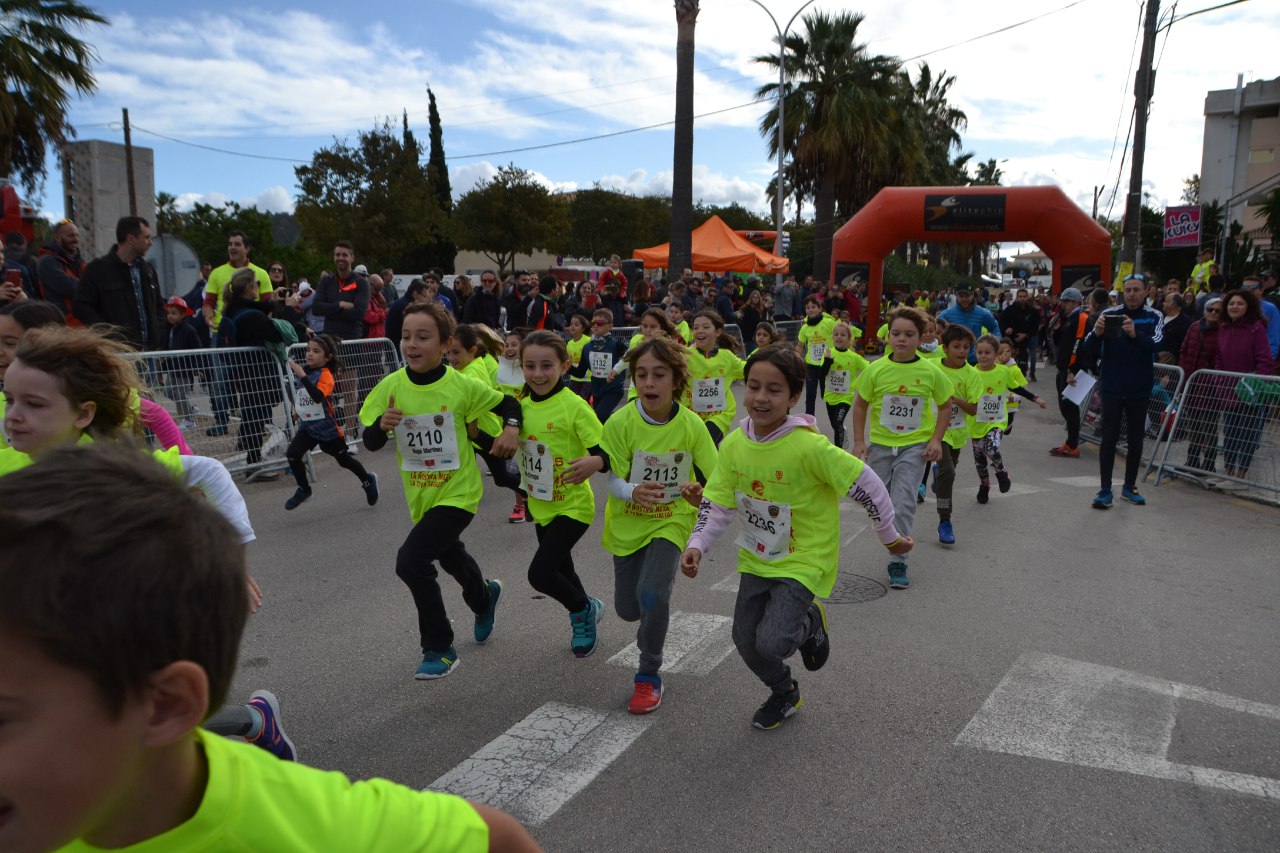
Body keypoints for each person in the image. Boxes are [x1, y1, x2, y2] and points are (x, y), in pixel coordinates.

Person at [0, 442, 541, 852]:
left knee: (417, 560)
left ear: (163, 704)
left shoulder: (309, 828)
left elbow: (497, 840)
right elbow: (373, 433)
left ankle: (456, 626)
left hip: (461, 495)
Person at [680, 345, 907, 730]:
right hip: (757, 555)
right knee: (744, 640)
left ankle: (809, 623)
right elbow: (718, 501)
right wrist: (696, 545)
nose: (761, 398)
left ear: (794, 396)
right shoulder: (734, 444)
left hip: (804, 559)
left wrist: (890, 537)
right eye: (753, 387)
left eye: (774, 389)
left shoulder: (808, 446)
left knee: (774, 642)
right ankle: (784, 691)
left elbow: (865, 483)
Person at [359, 302, 521, 679]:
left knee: (411, 561)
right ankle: (484, 596)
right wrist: (381, 426)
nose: (411, 344)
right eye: (405, 336)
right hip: (422, 496)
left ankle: (439, 647)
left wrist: (510, 429)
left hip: (459, 493)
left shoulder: (462, 386)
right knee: (450, 558)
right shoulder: (391, 387)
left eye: (423, 337)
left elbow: (510, 403)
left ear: (446, 344)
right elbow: (368, 441)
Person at [601, 336, 717, 713]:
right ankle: (648, 613)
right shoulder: (619, 422)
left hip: (672, 518)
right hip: (627, 523)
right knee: (628, 609)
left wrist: (700, 496)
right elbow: (612, 479)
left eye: (659, 375)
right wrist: (633, 491)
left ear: (676, 381)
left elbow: (715, 482)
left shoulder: (692, 426)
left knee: (653, 595)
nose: (649, 383)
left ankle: (648, 674)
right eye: (641, 375)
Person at [512, 330, 610, 657]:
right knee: (562, 571)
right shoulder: (520, 408)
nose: (538, 374)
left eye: (546, 366)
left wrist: (595, 462)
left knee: (540, 574)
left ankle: (582, 608)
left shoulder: (574, 406)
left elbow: (606, 452)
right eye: (530, 366)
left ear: (564, 365)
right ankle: (585, 611)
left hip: (573, 505)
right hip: (542, 505)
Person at [850, 307, 951, 590]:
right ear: (887, 337)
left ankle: (898, 559)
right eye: (896, 334)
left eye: (909, 335)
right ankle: (890, 529)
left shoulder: (931, 371)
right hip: (881, 445)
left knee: (904, 500)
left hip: (914, 447)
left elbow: (945, 405)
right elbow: (860, 405)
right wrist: (859, 441)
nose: (902, 339)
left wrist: (935, 440)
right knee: (876, 498)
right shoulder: (876, 369)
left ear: (921, 338)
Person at [1080, 274, 1164, 509]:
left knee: (1136, 440)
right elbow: (1087, 348)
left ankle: (1129, 488)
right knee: (1108, 439)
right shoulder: (1108, 315)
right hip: (1112, 387)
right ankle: (1105, 490)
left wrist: (1135, 334)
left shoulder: (1154, 316)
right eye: (1128, 290)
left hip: (1139, 388)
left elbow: (1158, 344)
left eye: (1137, 290)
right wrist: (1096, 333)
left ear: (1147, 292)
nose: (1132, 294)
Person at [283, 334, 380, 511]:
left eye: (316, 351)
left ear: (327, 357)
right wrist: (299, 411)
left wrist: (303, 376)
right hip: (309, 427)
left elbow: (318, 397)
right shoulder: (306, 371)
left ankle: (368, 480)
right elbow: (305, 397)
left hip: (327, 429)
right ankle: (304, 489)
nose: (309, 354)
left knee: (344, 460)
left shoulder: (326, 375)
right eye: (308, 350)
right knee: (292, 453)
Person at [217, 269, 287, 478]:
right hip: (257, 373)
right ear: (249, 287)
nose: (258, 287)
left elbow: (260, 312)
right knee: (257, 414)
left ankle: (252, 459)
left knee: (251, 413)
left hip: (242, 372)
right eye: (256, 284)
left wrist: (271, 303)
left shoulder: (233, 310)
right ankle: (254, 464)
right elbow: (277, 333)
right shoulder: (251, 316)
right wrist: (286, 309)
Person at [968, 335, 1044, 504]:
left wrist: (1035, 398)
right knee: (979, 460)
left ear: (996, 353)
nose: (983, 356)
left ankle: (1001, 472)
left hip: (996, 420)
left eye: (987, 352)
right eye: (979, 352)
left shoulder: (1003, 371)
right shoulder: (971, 372)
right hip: (976, 422)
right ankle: (984, 485)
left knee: (991, 448)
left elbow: (1016, 387)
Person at [1213, 289, 1275, 487]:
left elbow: (1265, 359)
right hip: (1228, 390)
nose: (1235, 307)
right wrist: (1219, 380)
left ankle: (1241, 476)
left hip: (1249, 392)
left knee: (1247, 434)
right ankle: (1228, 472)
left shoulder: (1256, 328)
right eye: (1231, 303)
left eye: (1239, 303)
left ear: (1248, 306)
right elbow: (1219, 357)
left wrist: (1258, 385)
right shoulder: (1223, 327)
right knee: (1230, 432)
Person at [72, 216, 164, 351]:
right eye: (146, 237)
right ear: (131, 239)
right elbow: (81, 306)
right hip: (118, 354)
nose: (150, 242)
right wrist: (108, 334)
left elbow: (158, 305)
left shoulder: (148, 270)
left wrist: (158, 332)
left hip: (149, 354)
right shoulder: (97, 270)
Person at [933, 324, 979, 545]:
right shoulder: (932, 367)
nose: (962, 351)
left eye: (966, 347)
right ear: (945, 348)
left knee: (946, 474)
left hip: (957, 432)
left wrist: (956, 400)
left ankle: (938, 477)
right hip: (934, 432)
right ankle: (945, 520)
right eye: (956, 346)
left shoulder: (971, 374)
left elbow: (974, 409)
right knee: (948, 472)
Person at [684, 309, 744, 447]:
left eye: (705, 327)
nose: (699, 331)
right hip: (690, 415)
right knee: (695, 453)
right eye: (696, 327)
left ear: (717, 332)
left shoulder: (727, 357)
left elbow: (750, 371)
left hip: (720, 414)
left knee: (706, 444)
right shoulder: (685, 355)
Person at [1178, 296, 1224, 474]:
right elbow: (1184, 349)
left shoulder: (1223, 331)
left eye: (1217, 310)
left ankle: (1209, 463)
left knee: (1209, 427)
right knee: (1194, 425)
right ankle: (1192, 460)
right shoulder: (1194, 327)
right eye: (1210, 309)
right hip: (1192, 384)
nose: (1212, 313)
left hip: (1211, 387)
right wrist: (1183, 373)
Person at [1048, 287, 1093, 458]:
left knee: (1070, 407)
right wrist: (1058, 328)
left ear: (1075, 302)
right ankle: (1070, 442)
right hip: (1064, 369)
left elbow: (1077, 345)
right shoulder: (1069, 318)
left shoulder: (1081, 318)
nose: (1063, 305)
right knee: (1065, 407)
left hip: (1073, 370)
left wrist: (1071, 370)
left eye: (1066, 302)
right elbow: (1063, 342)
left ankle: (1073, 445)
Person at [571, 308, 629, 423]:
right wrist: (563, 366)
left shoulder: (617, 346)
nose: (595, 326)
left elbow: (630, 358)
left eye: (600, 323)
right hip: (597, 390)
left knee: (598, 418)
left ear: (610, 326)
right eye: (593, 323)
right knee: (602, 421)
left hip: (613, 390)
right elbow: (580, 372)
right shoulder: (587, 347)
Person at [816, 321, 868, 450]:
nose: (839, 337)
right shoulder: (828, 353)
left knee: (838, 423)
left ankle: (838, 452)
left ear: (849, 339)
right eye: (836, 334)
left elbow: (869, 369)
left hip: (845, 398)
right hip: (830, 396)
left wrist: (862, 384)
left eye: (843, 335)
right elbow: (821, 374)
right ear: (832, 337)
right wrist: (827, 361)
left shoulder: (854, 357)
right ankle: (841, 433)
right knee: (835, 426)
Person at [158, 296, 203, 428]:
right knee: (168, 392)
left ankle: (189, 420)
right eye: (169, 313)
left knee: (181, 393)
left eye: (174, 313)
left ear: (182, 314)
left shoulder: (189, 330)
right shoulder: (169, 329)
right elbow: (165, 347)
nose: (170, 316)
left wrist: (197, 368)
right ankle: (190, 410)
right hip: (173, 367)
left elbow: (197, 349)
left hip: (184, 369)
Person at [312, 241, 370, 342]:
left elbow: (359, 313)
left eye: (344, 255)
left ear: (352, 258)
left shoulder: (362, 283)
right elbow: (316, 308)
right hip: (329, 341)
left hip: (352, 341)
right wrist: (340, 305)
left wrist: (328, 310)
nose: (340, 258)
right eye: (337, 255)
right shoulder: (326, 281)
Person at [36, 218, 85, 320]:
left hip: (81, 321)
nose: (76, 239)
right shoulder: (47, 261)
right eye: (71, 236)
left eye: (77, 235)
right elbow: (69, 286)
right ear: (57, 238)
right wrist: (92, 285)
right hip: (61, 322)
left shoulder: (78, 261)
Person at [939, 284, 1001, 363]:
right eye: (961, 296)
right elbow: (936, 330)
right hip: (953, 359)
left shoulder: (983, 313)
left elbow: (994, 328)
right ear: (956, 295)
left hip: (976, 360)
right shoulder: (947, 314)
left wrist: (995, 344)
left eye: (967, 295)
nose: (964, 299)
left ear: (972, 295)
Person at [796, 296, 836, 417]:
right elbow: (800, 346)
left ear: (819, 308)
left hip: (827, 364)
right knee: (810, 395)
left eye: (813, 307)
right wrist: (796, 359)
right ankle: (809, 421)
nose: (811, 309)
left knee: (827, 394)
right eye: (808, 308)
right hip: (811, 365)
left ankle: (834, 420)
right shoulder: (804, 328)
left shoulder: (829, 323)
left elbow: (840, 336)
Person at [1000, 288, 1040, 379]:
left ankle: (1023, 375)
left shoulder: (1032, 311)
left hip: (1025, 340)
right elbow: (1001, 321)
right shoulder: (1010, 310)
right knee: (1010, 361)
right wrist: (1006, 328)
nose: (1022, 298)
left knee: (1023, 361)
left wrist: (1026, 334)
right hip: (1011, 340)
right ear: (1017, 297)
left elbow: (1036, 326)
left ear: (1027, 297)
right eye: (1020, 297)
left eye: (1024, 296)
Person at [1241, 274, 1280, 360]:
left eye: (1252, 288)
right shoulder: (1236, 307)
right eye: (1244, 287)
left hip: (1260, 362)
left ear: (1261, 290)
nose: (1247, 291)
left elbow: (1273, 339)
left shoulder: (1270, 308)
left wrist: (1266, 361)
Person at [386, 278, 429, 355]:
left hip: (395, 346)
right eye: (424, 296)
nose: (426, 300)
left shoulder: (403, 302)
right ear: (415, 294)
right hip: (397, 347)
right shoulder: (407, 306)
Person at [1157, 294, 1192, 364]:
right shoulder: (1158, 317)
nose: (1163, 303)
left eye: (1166, 301)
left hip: (1172, 364)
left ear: (1173, 304)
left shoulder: (1186, 322)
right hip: (1156, 360)